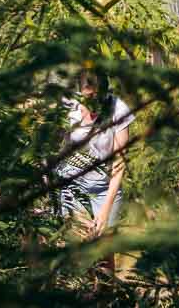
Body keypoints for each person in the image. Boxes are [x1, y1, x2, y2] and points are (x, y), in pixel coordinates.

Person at [55, 68, 132, 258]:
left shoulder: (118, 109)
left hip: (104, 187)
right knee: (77, 246)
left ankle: (107, 286)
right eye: (88, 97)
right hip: (71, 182)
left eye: (98, 98)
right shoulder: (68, 106)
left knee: (103, 251)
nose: (93, 104)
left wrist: (105, 212)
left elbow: (119, 164)